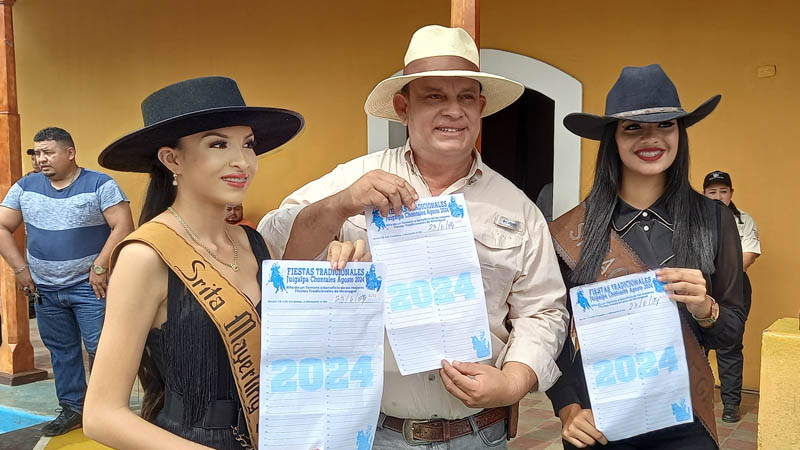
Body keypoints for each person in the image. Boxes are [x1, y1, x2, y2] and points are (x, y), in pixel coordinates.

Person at [259, 25, 569, 448]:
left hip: (479, 434)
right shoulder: (352, 180)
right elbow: (272, 250)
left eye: (465, 98)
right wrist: (340, 205)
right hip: (376, 432)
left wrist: (513, 381)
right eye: (434, 97)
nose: (453, 111)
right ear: (403, 107)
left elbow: (544, 311)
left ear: (480, 107)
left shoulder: (517, 209)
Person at [545, 64, 745, 450]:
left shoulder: (713, 220)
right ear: (613, 139)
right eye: (632, 127)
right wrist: (568, 407)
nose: (651, 138)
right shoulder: (571, 230)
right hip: (599, 422)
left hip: (687, 426)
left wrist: (706, 308)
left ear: (679, 133)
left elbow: (732, 329)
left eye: (665, 124)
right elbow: (552, 334)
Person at [0, 127, 134, 436]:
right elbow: (3, 227)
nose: (40, 159)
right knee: (62, 350)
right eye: (36, 153)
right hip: (46, 290)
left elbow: (123, 226)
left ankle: (110, 410)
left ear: (70, 153)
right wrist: (20, 269)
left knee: (102, 348)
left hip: (91, 289)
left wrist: (101, 267)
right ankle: (73, 408)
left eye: (48, 152)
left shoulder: (100, 184)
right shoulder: (25, 187)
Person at [703, 170, 760, 422]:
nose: (718, 196)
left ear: (731, 193)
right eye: (712, 192)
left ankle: (730, 404)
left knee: (730, 347)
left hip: (734, 289)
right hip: (699, 289)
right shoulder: (694, 220)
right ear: (704, 194)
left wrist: (722, 272)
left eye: (723, 191)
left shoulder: (743, 220)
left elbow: (749, 255)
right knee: (695, 346)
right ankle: (699, 399)